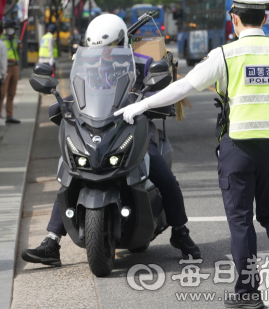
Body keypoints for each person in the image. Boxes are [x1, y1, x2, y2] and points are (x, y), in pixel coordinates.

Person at [116, 0, 269, 309]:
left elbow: (184, 86)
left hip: (237, 147)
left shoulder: (225, 54)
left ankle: (248, 292)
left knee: (240, 220)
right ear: (265, 19)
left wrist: (142, 105)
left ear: (234, 19)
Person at [22, 14, 200, 268]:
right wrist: (64, 106)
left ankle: (181, 232)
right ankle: (52, 241)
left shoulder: (143, 63)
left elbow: (157, 93)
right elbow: (78, 93)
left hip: (133, 130)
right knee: (70, 173)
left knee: (166, 179)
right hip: (94, 128)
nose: (103, 53)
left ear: (122, 41)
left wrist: (150, 101)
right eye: (97, 49)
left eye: (109, 47)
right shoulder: (86, 65)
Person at [0, 20, 21, 124]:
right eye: (8, 27)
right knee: (2, 92)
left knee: (12, 93)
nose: (10, 30)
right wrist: (8, 60)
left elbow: (17, 51)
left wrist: (19, 48)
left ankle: (9, 115)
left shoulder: (17, 40)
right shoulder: (2, 40)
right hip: (6, 67)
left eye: (12, 28)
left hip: (15, 67)